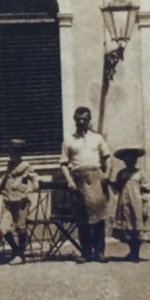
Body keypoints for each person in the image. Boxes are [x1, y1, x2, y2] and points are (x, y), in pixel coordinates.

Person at [59, 106, 112, 262]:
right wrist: (69, 180)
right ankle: (86, 253)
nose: (82, 122)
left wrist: (107, 175)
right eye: (79, 119)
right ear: (75, 120)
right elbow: (63, 163)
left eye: (85, 119)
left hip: (96, 178)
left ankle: (100, 252)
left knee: (99, 217)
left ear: (89, 120)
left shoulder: (97, 138)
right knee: (82, 218)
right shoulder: (69, 140)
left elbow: (107, 158)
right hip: (79, 180)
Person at [0, 138, 38, 263]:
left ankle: (19, 255)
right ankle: (16, 250)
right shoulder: (9, 166)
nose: (11, 155)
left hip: (21, 202)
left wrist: (29, 190)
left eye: (14, 152)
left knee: (20, 227)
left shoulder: (26, 166)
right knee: (3, 228)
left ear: (20, 153)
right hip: (8, 202)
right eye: (10, 152)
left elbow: (35, 180)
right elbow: (4, 181)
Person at [108, 146, 150, 261]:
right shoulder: (121, 173)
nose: (129, 161)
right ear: (124, 160)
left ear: (135, 160)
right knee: (127, 228)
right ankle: (132, 251)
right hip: (124, 204)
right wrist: (110, 182)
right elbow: (118, 187)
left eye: (132, 158)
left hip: (137, 204)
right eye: (127, 159)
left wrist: (144, 203)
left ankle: (135, 253)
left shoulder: (140, 173)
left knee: (136, 227)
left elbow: (146, 189)